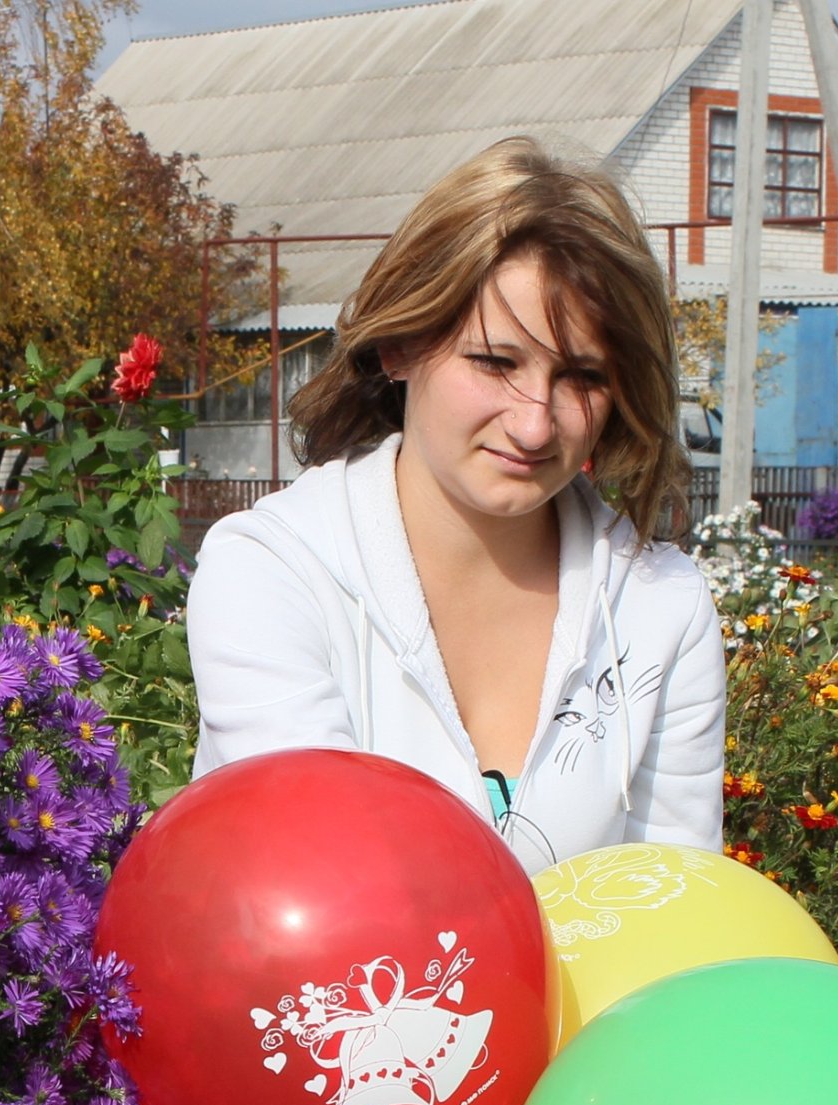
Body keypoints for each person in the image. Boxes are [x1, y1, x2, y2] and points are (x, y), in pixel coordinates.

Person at [186, 138, 726, 877]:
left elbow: (676, 905)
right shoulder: (269, 571)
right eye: (495, 363)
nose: (534, 425)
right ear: (399, 345)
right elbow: (323, 880)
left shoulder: (665, 606)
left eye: (581, 377)